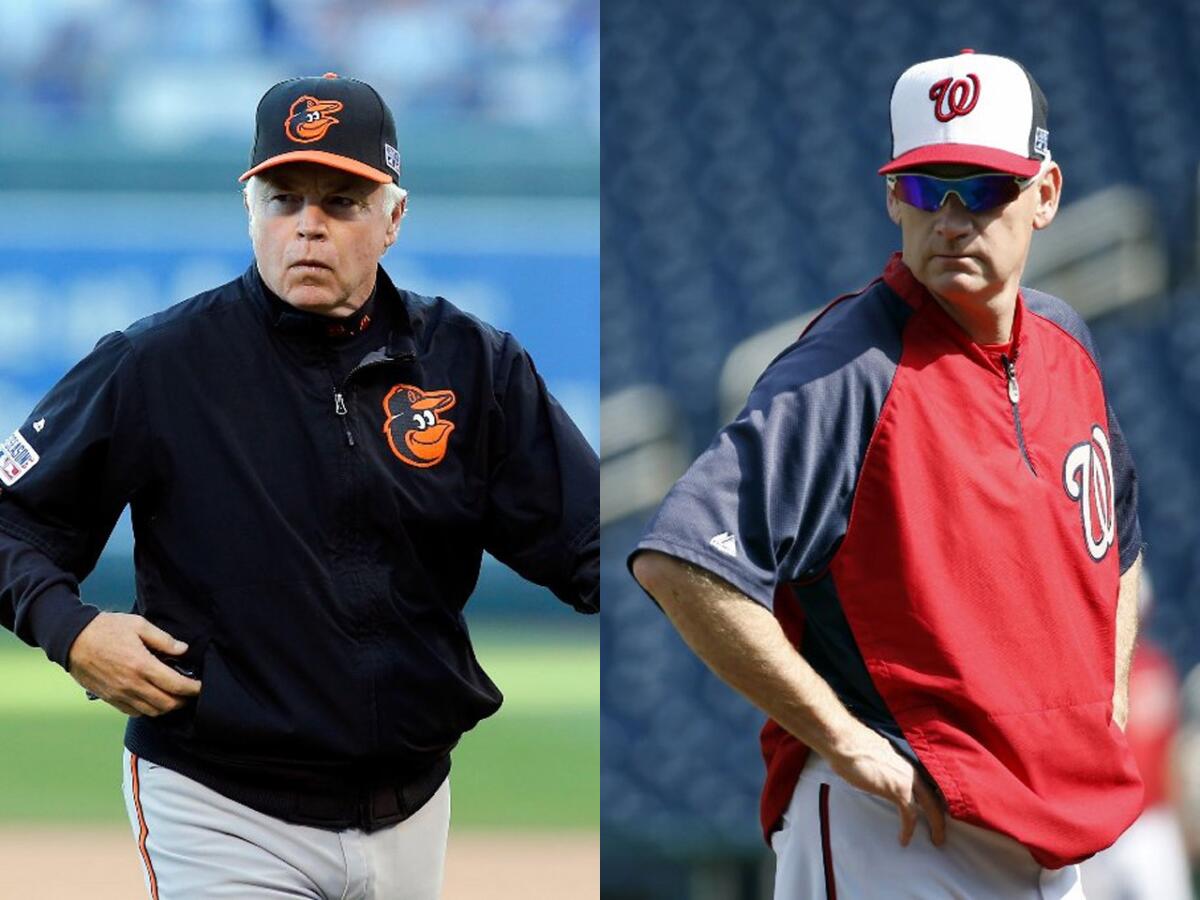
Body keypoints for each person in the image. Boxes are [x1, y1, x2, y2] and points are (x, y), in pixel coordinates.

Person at [0, 72, 598, 900]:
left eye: (341, 201)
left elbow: (591, 547)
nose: (307, 227)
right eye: (284, 199)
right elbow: (10, 521)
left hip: (414, 805)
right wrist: (69, 629)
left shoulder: (472, 364)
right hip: (222, 805)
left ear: (393, 217)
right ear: (250, 210)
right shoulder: (159, 365)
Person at [630, 50, 1143, 899]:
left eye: (981, 188)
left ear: (1043, 196)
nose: (949, 217)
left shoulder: (1067, 348)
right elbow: (682, 560)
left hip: (1052, 833)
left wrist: (1109, 696)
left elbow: (1119, 541)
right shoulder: (846, 371)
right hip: (902, 833)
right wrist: (839, 736)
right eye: (923, 188)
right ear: (890, 198)